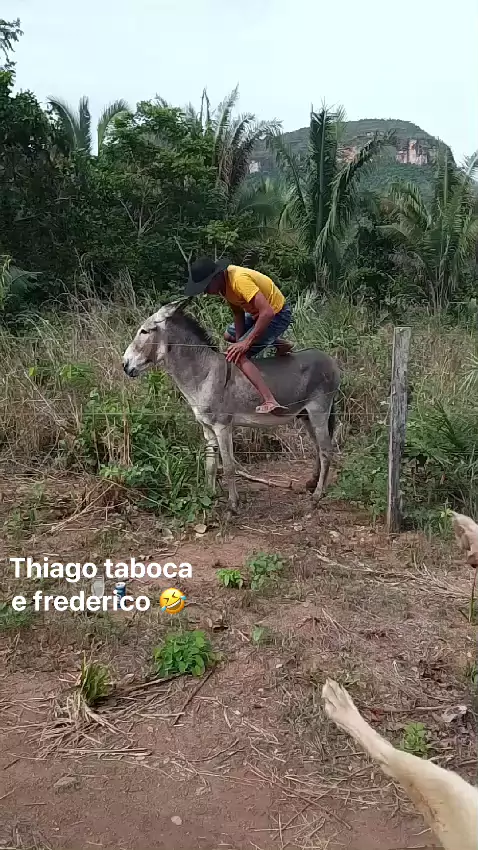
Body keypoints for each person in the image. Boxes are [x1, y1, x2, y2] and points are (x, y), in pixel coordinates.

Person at [185, 258, 293, 414]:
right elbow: (238, 313)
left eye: (206, 287)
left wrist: (245, 344)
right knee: (229, 337)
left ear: (216, 277)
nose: (206, 292)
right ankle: (277, 343)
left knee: (239, 356)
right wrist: (239, 341)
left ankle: (270, 400)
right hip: (256, 313)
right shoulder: (224, 286)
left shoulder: (239, 281)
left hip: (276, 314)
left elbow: (267, 313)